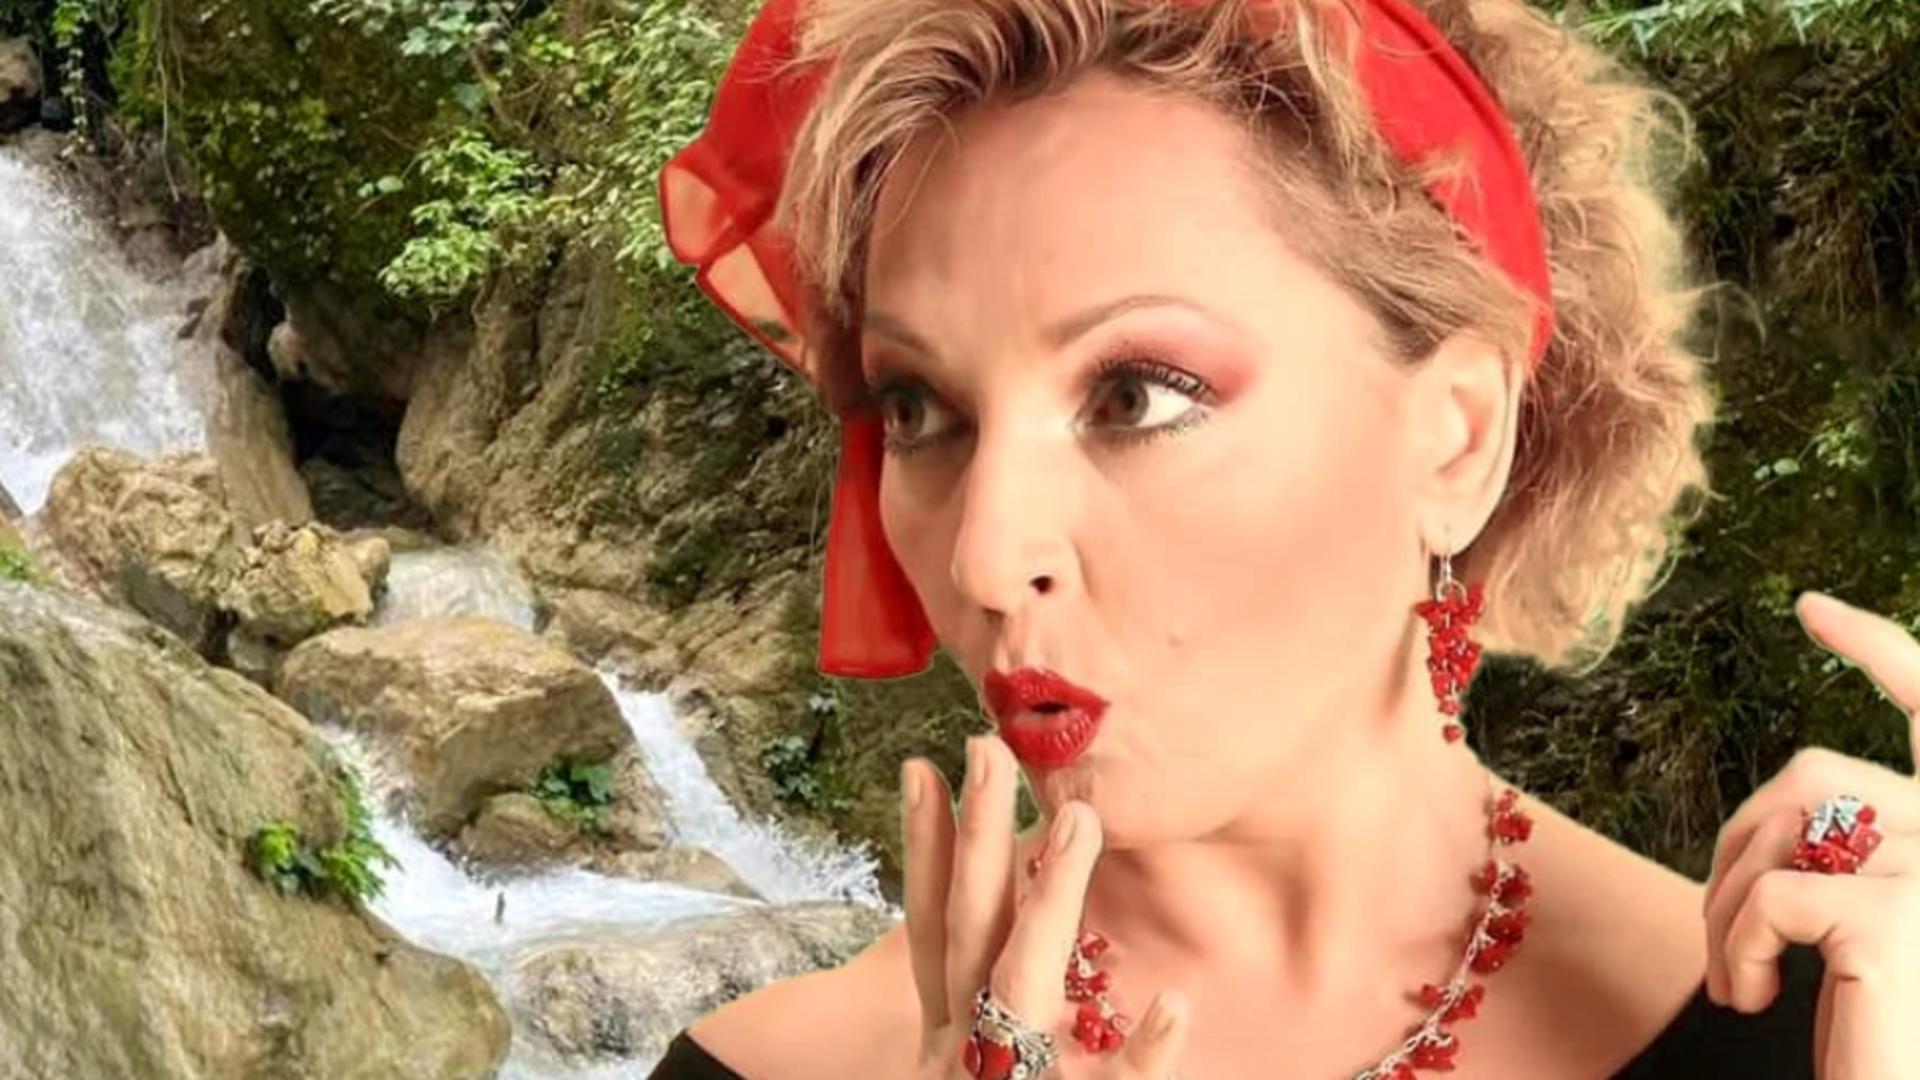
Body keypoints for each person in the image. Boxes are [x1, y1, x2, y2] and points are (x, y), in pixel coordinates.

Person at [650, 0, 1920, 1076]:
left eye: (1135, 395)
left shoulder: (1828, 1018)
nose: (984, 554)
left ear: (1458, 439)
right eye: (919, 410)